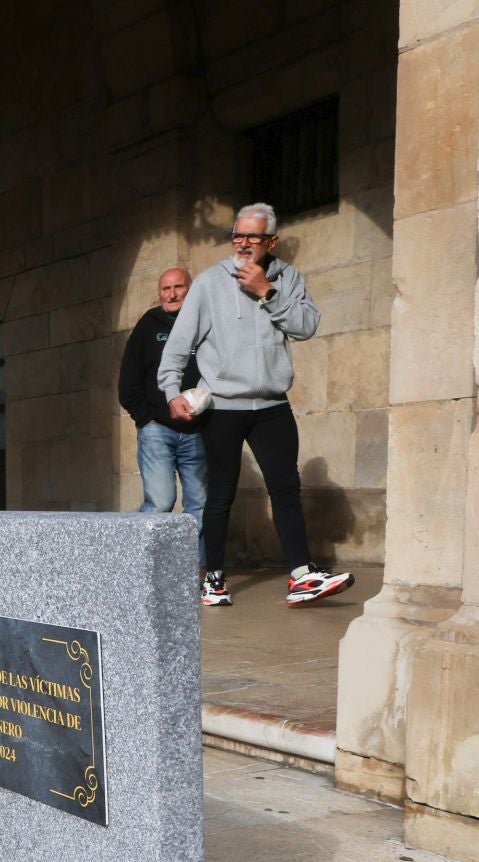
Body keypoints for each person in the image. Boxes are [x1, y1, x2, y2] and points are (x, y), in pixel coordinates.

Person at [160, 203, 355, 608]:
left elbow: (306, 326)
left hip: (271, 405)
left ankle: (301, 576)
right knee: (220, 495)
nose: (243, 244)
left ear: (271, 241)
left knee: (286, 488)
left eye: (253, 237)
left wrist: (268, 292)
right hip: (223, 408)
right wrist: (171, 391)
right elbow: (178, 347)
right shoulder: (211, 283)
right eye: (238, 235)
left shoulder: (287, 278)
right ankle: (213, 579)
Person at [119, 267, 205, 558]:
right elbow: (128, 383)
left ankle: (194, 571)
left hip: (198, 431)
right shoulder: (148, 326)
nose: (172, 294)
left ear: (190, 290)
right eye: (166, 288)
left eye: (178, 287)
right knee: (160, 502)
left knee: (199, 504)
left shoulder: (203, 324)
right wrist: (148, 417)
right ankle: (136, 562)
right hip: (158, 429)